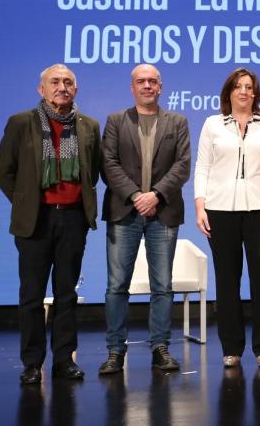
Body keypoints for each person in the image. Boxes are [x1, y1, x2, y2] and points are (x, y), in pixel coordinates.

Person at [0, 64, 101, 384]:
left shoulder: (89, 126)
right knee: (31, 294)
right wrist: (26, 202)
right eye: (54, 82)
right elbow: (4, 172)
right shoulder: (21, 123)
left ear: (76, 89)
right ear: (41, 89)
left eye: (68, 82)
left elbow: (91, 172)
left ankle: (64, 360)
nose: (62, 87)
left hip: (72, 218)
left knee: (66, 294)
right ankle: (31, 363)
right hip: (35, 220)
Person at [98, 64, 191, 374]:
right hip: (125, 211)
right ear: (132, 87)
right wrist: (137, 196)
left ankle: (160, 348)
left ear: (160, 87)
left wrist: (156, 196)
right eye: (142, 81)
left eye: (153, 81)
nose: (147, 86)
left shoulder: (177, 122)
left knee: (163, 286)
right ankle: (115, 352)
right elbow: (108, 164)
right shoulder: (115, 121)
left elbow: (182, 165)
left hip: (163, 212)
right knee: (116, 286)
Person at [194, 68, 260, 367]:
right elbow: (202, 167)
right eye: (238, 87)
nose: (244, 92)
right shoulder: (212, 124)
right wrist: (200, 206)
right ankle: (231, 348)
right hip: (220, 208)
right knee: (227, 279)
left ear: (255, 94)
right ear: (229, 92)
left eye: (249, 87)